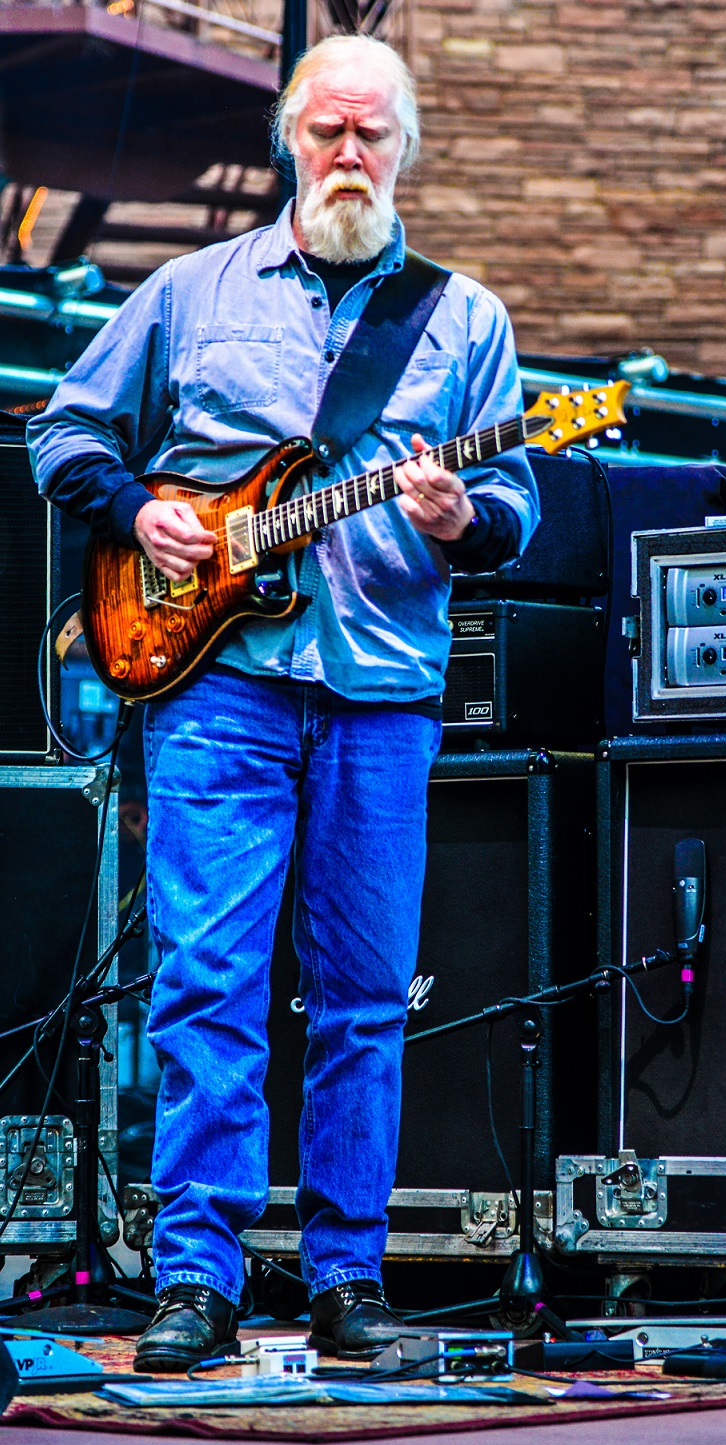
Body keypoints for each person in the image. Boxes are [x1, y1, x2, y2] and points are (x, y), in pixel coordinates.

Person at [28, 33, 539, 1371]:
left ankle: (344, 1282)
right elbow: (64, 431)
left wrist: (461, 511)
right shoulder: (193, 294)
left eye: (374, 134)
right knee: (209, 984)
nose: (350, 155)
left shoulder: (467, 319)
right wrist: (144, 508)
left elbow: (517, 519)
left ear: (409, 149)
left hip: (380, 693)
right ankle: (195, 1280)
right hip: (218, 689)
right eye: (328, 132)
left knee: (367, 995)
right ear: (288, 142)